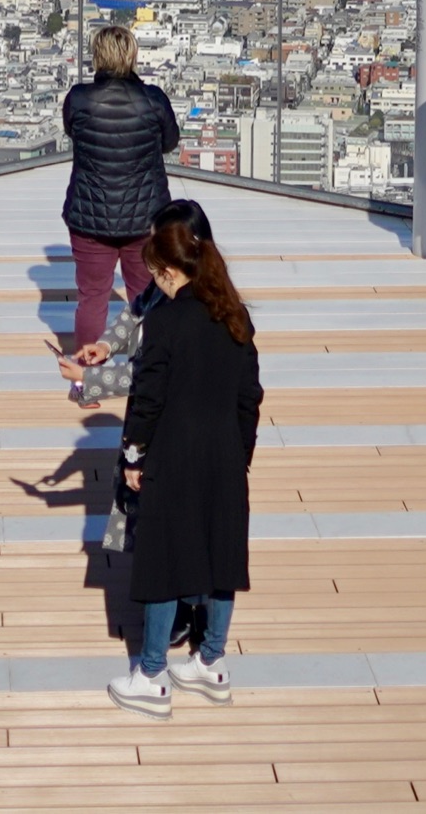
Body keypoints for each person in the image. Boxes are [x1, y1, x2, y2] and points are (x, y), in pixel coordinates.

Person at [107, 205, 262, 717]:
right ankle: (211, 663)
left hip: (173, 456)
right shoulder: (236, 315)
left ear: (169, 271)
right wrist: (240, 453)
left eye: (156, 273)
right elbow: (250, 396)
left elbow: (147, 398)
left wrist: (133, 454)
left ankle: (151, 674)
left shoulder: (166, 321)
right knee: (221, 560)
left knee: (165, 563)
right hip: (224, 455)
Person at [59, 23, 181, 359]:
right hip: (145, 218)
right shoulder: (153, 99)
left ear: (97, 56)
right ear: (132, 55)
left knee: (93, 297)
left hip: (90, 215)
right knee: (146, 295)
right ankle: (149, 373)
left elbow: (72, 132)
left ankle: (86, 380)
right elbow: (169, 142)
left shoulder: (79, 99)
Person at [61, 198, 215, 409]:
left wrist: (87, 377)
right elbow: (134, 311)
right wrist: (106, 345)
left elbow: (149, 374)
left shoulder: (186, 315)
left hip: (174, 418)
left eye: (154, 244)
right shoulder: (162, 285)